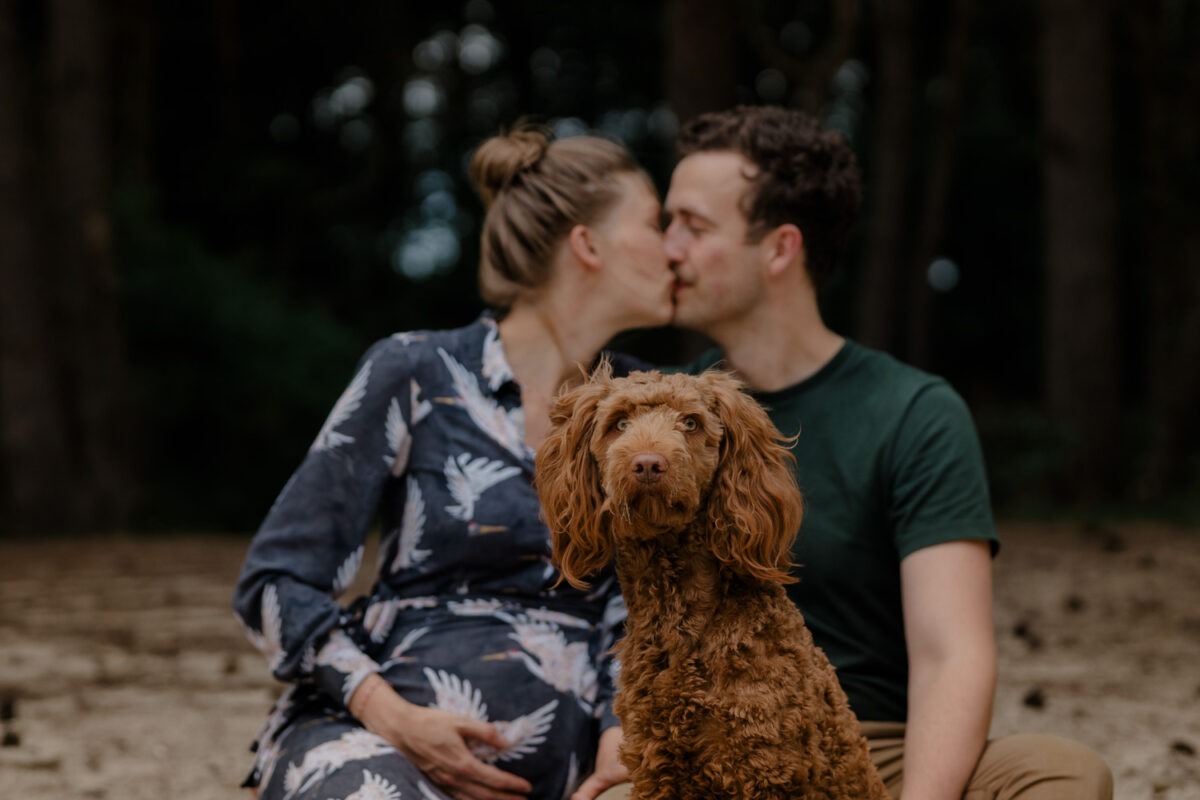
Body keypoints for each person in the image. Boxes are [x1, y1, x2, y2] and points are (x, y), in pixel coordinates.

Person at [600, 106, 1112, 800]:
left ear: (780, 248)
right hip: (704, 737)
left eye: (692, 225)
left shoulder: (913, 412)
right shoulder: (658, 420)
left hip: (874, 748)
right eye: (668, 225)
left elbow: (951, 654)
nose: (668, 249)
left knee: (1061, 774)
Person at [232, 125, 672, 800]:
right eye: (655, 223)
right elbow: (276, 582)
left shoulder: (644, 409)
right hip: (379, 745)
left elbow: (642, 609)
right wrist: (396, 719)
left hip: (577, 774)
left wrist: (622, 732)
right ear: (588, 245)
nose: (673, 247)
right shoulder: (415, 370)